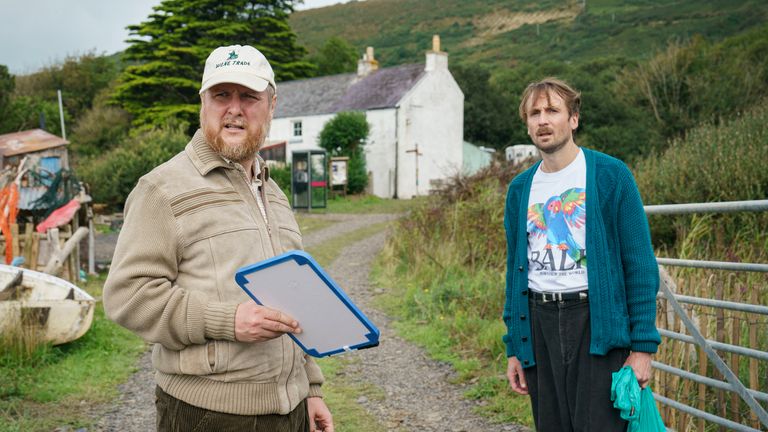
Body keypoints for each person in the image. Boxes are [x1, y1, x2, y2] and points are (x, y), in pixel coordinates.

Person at [103, 44, 334, 432]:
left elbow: (292, 299)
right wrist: (228, 320)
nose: (234, 109)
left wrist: (310, 388)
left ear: (272, 105)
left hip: (291, 410)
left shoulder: (273, 193)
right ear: (203, 102)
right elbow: (128, 296)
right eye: (221, 95)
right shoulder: (161, 190)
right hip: (208, 414)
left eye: (248, 96)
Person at [502, 77, 660, 431]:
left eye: (552, 110)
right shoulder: (519, 190)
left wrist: (642, 349)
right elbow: (515, 272)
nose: (543, 120)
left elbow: (640, 266)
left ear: (573, 119)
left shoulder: (611, 176)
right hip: (539, 321)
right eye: (534, 113)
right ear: (527, 123)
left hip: (595, 322)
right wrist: (514, 346)